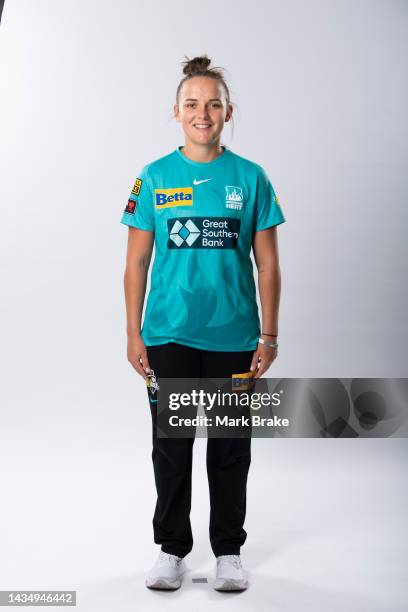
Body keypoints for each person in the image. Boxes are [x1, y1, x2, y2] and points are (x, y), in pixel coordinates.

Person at [121, 54, 286, 591]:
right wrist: (133, 331)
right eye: (192, 103)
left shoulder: (251, 178)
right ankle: (171, 550)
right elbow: (136, 263)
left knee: (230, 447)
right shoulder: (152, 178)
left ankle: (228, 552)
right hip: (168, 333)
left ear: (227, 112)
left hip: (234, 337)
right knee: (171, 446)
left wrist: (269, 335)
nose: (203, 112)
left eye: (213, 103)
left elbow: (269, 264)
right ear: (176, 112)